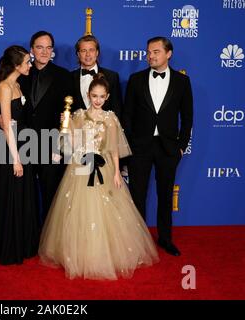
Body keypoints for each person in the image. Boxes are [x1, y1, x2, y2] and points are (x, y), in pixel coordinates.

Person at [39, 73, 159, 280]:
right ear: (88, 95)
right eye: (94, 95)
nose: (97, 100)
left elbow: (113, 148)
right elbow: (73, 145)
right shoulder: (78, 115)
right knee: (78, 211)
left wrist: (116, 172)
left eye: (102, 96)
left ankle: (107, 254)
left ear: (107, 97)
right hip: (80, 166)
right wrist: (66, 128)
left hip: (104, 167)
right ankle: (78, 253)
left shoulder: (110, 118)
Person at [122, 36, 193, 256]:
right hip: (140, 148)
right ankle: (138, 240)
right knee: (137, 195)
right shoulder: (136, 79)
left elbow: (188, 117)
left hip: (168, 149)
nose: (151, 56)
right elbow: (127, 116)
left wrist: (181, 146)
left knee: (165, 195)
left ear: (168, 54)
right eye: (149, 52)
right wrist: (131, 144)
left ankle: (165, 238)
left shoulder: (182, 82)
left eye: (156, 52)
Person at [18, 30, 72, 224]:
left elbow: (70, 115)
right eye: (39, 47)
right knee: (26, 196)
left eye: (48, 48)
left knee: (51, 194)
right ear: (32, 50)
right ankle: (29, 236)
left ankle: (49, 237)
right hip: (25, 145)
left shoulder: (64, 76)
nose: (44, 52)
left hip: (52, 147)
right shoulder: (21, 74)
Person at [0, 45, 39, 265]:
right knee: (11, 194)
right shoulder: (4, 87)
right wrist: (16, 159)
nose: (31, 64)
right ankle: (10, 247)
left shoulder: (18, 84)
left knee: (23, 195)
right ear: (16, 65)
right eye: (28, 62)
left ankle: (24, 243)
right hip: (9, 150)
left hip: (24, 145)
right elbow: (7, 125)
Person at [71, 35, 123, 118]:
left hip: (104, 129)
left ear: (97, 52)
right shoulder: (69, 77)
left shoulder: (112, 77)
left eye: (91, 50)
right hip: (77, 129)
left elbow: (117, 109)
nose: (88, 54)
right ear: (78, 54)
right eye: (83, 50)